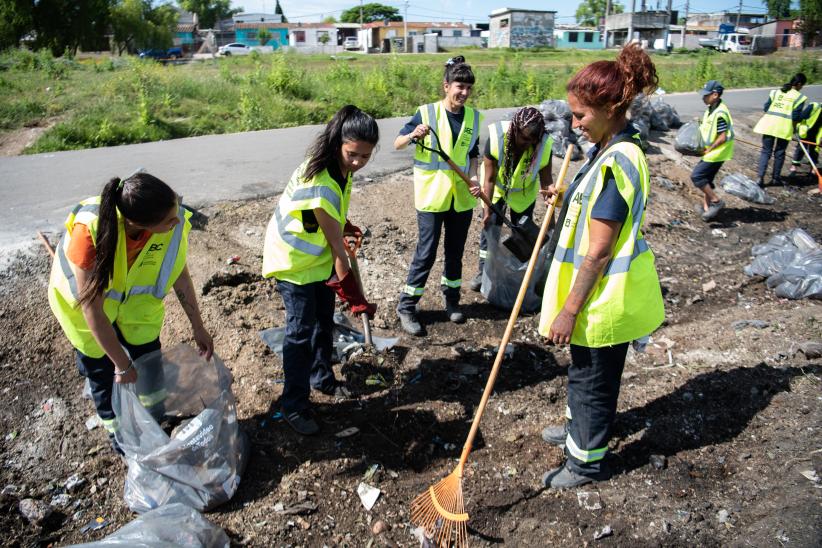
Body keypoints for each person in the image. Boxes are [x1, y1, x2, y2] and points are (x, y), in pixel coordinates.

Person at [537, 44, 665, 489]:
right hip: (594, 293)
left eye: (580, 116)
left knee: (593, 380)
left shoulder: (619, 160)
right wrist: (567, 197)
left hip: (603, 295)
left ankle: (585, 463)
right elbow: (591, 210)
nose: (574, 125)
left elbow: (599, 251)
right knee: (584, 371)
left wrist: (569, 310)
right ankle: (578, 434)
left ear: (612, 108)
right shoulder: (608, 148)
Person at [48, 171, 213, 454]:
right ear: (138, 224)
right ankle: (119, 436)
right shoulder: (89, 234)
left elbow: (179, 274)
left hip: (137, 311)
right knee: (103, 375)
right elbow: (92, 309)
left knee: (149, 367)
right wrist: (122, 365)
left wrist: (198, 326)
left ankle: (155, 419)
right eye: (168, 221)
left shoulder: (168, 227)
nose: (177, 223)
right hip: (87, 317)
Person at [263, 105, 378, 436]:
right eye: (353, 154)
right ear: (339, 142)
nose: (357, 162)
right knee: (299, 334)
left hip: (316, 257)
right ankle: (294, 405)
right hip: (293, 261)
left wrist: (345, 222)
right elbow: (338, 251)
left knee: (324, 322)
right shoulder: (322, 180)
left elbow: (330, 221)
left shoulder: (342, 168)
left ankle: (322, 380)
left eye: (365, 156)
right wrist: (355, 296)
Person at [394, 56, 483, 336]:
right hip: (432, 196)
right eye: (459, 86)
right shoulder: (426, 113)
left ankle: (452, 300)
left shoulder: (473, 118)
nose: (464, 93)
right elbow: (397, 143)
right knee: (427, 252)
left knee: (455, 253)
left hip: (462, 198)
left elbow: (472, 154)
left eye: (468, 88)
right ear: (446, 86)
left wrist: (476, 178)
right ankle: (407, 306)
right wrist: (413, 135)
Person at [468, 106, 554, 291]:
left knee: (521, 236)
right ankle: (483, 272)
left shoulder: (544, 145)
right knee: (490, 231)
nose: (526, 143)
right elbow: (489, 179)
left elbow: (547, 182)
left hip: (523, 194)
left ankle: (515, 274)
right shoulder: (498, 137)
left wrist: (552, 220)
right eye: (523, 138)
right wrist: (487, 211)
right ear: (514, 129)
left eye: (532, 140)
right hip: (496, 189)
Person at [753, 72, 807, 187]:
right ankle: (775, 178)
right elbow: (796, 116)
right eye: (802, 86)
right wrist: (795, 128)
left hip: (769, 125)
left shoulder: (776, 92)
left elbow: (766, 107)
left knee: (765, 151)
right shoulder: (799, 97)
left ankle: (760, 178)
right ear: (799, 84)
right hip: (784, 128)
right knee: (780, 153)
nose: (801, 88)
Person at [691, 80, 734, 222]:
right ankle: (706, 209)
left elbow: (722, 137)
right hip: (711, 151)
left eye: (706, 95)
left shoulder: (721, 113)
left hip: (718, 152)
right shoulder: (712, 108)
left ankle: (716, 202)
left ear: (715, 95)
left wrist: (708, 149)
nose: (703, 98)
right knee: (707, 180)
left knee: (697, 177)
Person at [789, 100, 821, 176]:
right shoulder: (814, 106)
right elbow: (801, 117)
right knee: (801, 148)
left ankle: (813, 168)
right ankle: (794, 166)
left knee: (815, 150)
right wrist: (795, 128)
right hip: (805, 131)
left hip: (817, 134)